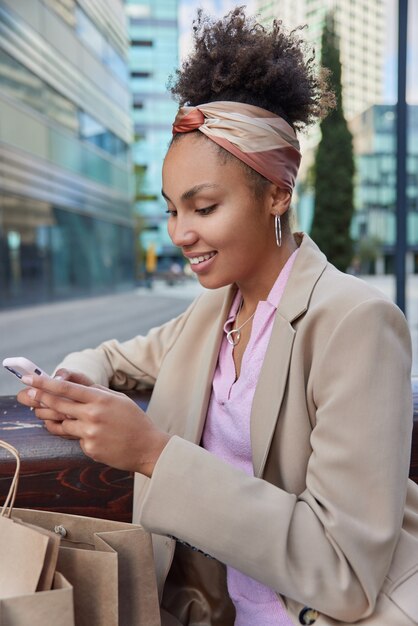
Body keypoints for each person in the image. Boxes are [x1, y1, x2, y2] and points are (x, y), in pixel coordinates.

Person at [18, 9, 418, 626]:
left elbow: (344, 573)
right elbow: (118, 360)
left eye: (203, 206)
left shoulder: (356, 324)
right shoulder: (212, 313)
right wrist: (72, 379)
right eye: (172, 209)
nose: (180, 232)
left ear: (278, 193)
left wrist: (153, 452)